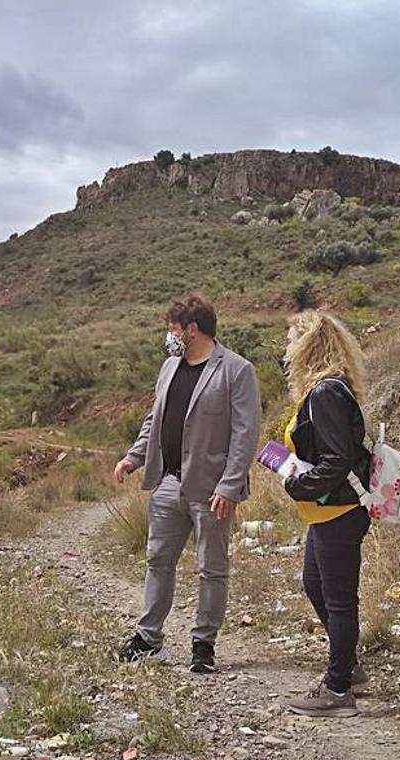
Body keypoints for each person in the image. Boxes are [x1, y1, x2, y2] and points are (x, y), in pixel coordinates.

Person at [114, 295, 261, 673]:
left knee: (212, 568)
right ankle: (148, 639)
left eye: (173, 330)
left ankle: (203, 645)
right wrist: (134, 456)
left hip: (211, 491)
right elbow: (155, 418)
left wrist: (230, 486)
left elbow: (245, 435)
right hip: (167, 483)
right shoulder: (169, 367)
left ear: (192, 330)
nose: (169, 336)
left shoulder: (236, 370)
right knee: (157, 561)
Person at [278, 310, 372, 717]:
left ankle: (337, 688)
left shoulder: (326, 393)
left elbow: (337, 459)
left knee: (338, 599)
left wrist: (298, 483)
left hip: (338, 510)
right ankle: (346, 666)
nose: (285, 351)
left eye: (289, 341)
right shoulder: (325, 391)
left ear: (306, 345)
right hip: (326, 513)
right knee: (315, 585)